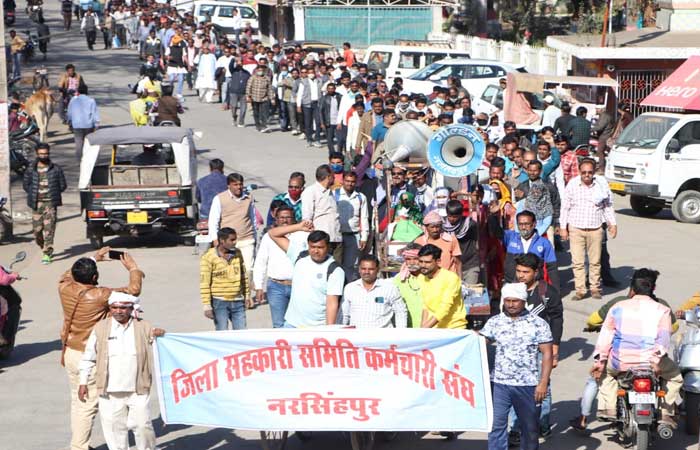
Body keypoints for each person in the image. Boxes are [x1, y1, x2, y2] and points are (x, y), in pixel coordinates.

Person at [571, 269, 679, 432]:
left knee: (604, 376)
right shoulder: (662, 309)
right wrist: (656, 362)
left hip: (620, 362)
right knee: (675, 377)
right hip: (650, 364)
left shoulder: (617, 306)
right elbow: (664, 339)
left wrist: (599, 363)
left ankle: (608, 409)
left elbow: (605, 337)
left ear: (632, 288)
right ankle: (666, 413)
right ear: (653, 288)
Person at [59, 248, 144, 450]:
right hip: (89, 357)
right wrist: (133, 268)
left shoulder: (64, 287)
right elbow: (133, 291)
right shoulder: (102, 295)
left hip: (70, 351)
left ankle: (79, 443)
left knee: (78, 401)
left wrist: (92, 257)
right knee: (88, 405)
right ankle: (79, 446)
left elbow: (66, 274)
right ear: (95, 276)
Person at [78, 293, 164, 450]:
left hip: (138, 388)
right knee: (115, 431)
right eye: (114, 307)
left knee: (143, 426)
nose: (118, 311)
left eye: (123, 308)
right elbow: (88, 357)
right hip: (110, 391)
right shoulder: (101, 328)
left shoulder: (143, 326)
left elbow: (160, 344)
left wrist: (160, 335)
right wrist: (83, 382)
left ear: (131, 309)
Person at [480, 282, 553, 450]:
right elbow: (479, 342)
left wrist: (543, 383)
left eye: (515, 301)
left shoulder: (538, 324)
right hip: (499, 384)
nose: (511, 304)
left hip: (527, 385)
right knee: (496, 426)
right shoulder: (495, 322)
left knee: (529, 429)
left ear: (523, 301)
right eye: (507, 300)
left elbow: (547, 354)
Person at [509, 253, 563, 441]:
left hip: (542, 349)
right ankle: (515, 429)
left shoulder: (547, 292)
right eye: (518, 271)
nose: (521, 275)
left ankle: (543, 424)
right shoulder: (511, 291)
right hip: (517, 349)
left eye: (525, 272)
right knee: (516, 388)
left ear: (536, 272)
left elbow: (557, 319)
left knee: (543, 387)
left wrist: (555, 345)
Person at [560, 158, 617, 300]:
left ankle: (595, 288)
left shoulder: (601, 185)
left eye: (589, 172)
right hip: (576, 228)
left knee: (595, 261)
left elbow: (608, 206)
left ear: (594, 172)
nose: (586, 175)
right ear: (579, 171)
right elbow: (565, 207)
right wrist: (563, 227)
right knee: (578, 261)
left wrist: (612, 223)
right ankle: (580, 290)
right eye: (584, 172)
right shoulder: (572, 184)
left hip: (595, 228)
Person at [269, 223, 345, 328]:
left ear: (328, 247)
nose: (316, 251)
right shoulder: (300, 256)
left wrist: (329, 331)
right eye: (312, 247)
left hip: (317, 328)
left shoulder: (335, 270)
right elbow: (273, 233)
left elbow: (332, 303)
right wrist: (298, 227)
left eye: (320, 247)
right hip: (291, 325)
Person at [491, 210, 560, 291]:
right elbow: (496, 231)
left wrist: (556, 291)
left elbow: (552, 268)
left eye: (527, 224)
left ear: (534, 224)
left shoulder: (544, 243)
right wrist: (493, 216)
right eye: (520, 224)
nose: (523, 227)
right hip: (511, 285)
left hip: (534, 287)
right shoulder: (510, 237)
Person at [23, 144, 67, 264]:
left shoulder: (56, 169)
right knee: (37, 231)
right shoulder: (31, 169)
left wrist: (53, 194)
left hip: (50, 204)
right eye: (41, 154)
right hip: (36, 204)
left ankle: (47, 253)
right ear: (37, 154)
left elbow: (63, 185)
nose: (44, 156)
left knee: (49, 229)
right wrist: (34, 195)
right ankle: (43, 246)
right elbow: (26, 185)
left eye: (46, 153)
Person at [208, 173, 257, 279]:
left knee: (248, 270)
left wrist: (255, 237)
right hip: (227, 242)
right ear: (228, 185)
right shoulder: (219, 199)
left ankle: (246, 294)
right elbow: (213, 221)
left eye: (240, 184)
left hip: (246, 239)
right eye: (235, 184)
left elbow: (253, 218)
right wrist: (215, 240)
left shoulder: (249, 198)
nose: (239, 187)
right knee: (230, 271)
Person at [200, 227, 251, 330]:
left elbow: (243, 276)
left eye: (235, 239)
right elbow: (204, 282)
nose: (235, 242)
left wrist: (247, 296)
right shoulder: (208, 257)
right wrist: (207, 305)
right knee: (222, 333)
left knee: (242, 334)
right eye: (232, 240)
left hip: (238, 300)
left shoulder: (237, 253)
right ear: (222, 241)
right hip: (219, 302)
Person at [253, 206, 296, 328]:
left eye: (288, 217)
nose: (285, 220)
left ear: (294, 220)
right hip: (276, 287)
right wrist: (258, 286)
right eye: (282, 217)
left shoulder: (301, 236)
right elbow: (261, 262)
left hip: (298, 286)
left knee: (297, 324)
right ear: (276, 220)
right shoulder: (268, 237)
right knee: (278, 325)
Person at [342, 255, 407, 328]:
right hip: (357, 337)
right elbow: (345, 315)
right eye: (363, 269)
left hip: (382, 337)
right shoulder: (350, 288)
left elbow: (400, 312)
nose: (367, 272)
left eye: (371, 269)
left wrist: (400, 333)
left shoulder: (389, 288)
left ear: (377, 270)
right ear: (359, 269)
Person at [417, 244, 467, 329]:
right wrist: (422, 328)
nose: (423, 265)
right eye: (421, 261)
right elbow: (426, 306)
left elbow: (444, 307)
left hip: (454, 327)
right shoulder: (421, 278)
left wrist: (425, 329)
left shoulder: (451, 278)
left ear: (438, 261)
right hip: (433, 328)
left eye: (427, 262)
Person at [333, 171, 369, 282]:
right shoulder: (335, 195)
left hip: (353, 236)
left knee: (351, 265)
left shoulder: (360, 197)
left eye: (352, 182)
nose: (350, 184)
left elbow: (364, 218)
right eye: (347, 181)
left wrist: (364, 237)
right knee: (336, 265)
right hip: (337, 236)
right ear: (342, 181)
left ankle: (349, 290)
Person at [301, 164, 342, 254]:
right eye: (333, 176)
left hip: (336, 238)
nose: (335, 178)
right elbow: (307, 218)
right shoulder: (311, 191)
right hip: (321, 241)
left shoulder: (330, 192)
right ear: (328, 177)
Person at [443, 200, 480, 284]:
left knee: (471, 292)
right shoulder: (442, 225)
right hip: (451, 267)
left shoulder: (470, 224)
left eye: (455, 216)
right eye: (450, 216)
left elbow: (477, 239)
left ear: (461, 215)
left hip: (470, 265)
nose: (452, 219)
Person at [415, 211, 461, 275]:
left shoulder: (450, 239)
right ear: (426, 227)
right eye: (432, 227)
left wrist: (459, 279)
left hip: (449, 278)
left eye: (437, 227)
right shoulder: (419, 241)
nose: (435, 230)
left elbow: (458, 262)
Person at [393, 243, 424, 328]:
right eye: (408, 259)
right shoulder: (399, 279)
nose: (412, 262)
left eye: (415, 259)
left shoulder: (431, 278)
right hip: (406, 327)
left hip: (429, 327)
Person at [66, 84, 99, 160]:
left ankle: (80, 161)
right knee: (88, 143)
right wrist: (96, 125)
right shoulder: (91, 100)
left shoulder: (73, 100)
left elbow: (69, 113)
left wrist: (69, 122)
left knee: (79, 144)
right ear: (86, 91)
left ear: (78, 91)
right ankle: (88, 160)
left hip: (77, 126)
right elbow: (95, 113)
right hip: (89, 126)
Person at [296, 65, 323, 147]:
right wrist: (298, 105)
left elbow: (323, 91)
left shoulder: (319, 81)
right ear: (307, 74)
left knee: (318, 122)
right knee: (308, 122)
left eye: (312, 73)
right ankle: (309, 139)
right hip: (307, 103)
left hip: (317, 103)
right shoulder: (303, 82)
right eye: (309, 73)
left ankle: (317, 139)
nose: (311, 74)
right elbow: (300, 94)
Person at [247, 64, 275, 133]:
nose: (260, 72)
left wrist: (272, 98)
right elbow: (248, 87)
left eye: (262, 70)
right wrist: (248, 96)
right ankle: (257, 125)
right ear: (256, 71)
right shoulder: (252, 78)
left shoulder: (267, 78)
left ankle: (264, 125)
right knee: (256, 113)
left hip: (264, 98)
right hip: (254, 98)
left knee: (264, 113)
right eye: (259, 70)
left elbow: (270, 89)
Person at [321, 82, 343, 154]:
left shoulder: (339, 97)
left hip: (338, 121)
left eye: (332, 88)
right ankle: (332, 153)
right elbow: (320, 111)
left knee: (339, 139)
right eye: (329, 89)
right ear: (327, 89)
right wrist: (322, 122)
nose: (330, 90)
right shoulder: (324, 98)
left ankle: (339, 153)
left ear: (335, 89)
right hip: (329, 121)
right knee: (329, 139)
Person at [592, 105, 615, 174]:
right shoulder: (604, 115)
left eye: (597, 109)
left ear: (601, 109)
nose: (596, 110)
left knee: (600, 151)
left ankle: (601, 168)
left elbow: (600, 127)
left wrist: (590, 129)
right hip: (605, 135)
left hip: (604, 136)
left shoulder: (604, 116)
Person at [228, 58, 251, 127]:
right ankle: (234, 117)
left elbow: (249, 82)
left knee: (243, 107)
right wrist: (233, 60)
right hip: (234, 92)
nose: (239, 63)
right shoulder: (233, 71)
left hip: (243, 92)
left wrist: (249, 93)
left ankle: (241, 121)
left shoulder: (246, 73)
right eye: (238, 62)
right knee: (234, 106)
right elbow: (230, 66)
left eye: (240, 62)